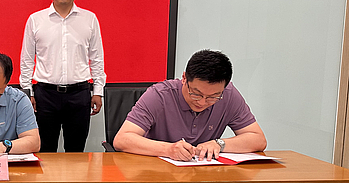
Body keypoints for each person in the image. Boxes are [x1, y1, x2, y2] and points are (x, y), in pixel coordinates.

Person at [113, 49, 267, 161]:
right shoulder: (159, 95)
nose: (202, 102)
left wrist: (220, 144)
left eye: (213, 97)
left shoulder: (229, 95)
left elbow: (258, 140)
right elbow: (122, 139)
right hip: (155, 175)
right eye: (196, 94)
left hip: (203, 181)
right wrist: (168, 149)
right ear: (184, 78)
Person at [20, 0, 105, 153]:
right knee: (44, 151)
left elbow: (97, 59)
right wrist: (27, 93)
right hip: (45, 95)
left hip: (79, 95)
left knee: (76, 152)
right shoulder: (36, 20)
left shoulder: (89, 19)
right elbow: (26, 60)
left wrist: (98, 91)